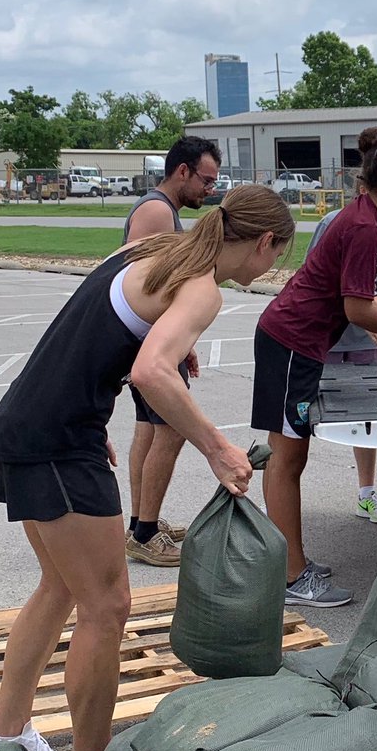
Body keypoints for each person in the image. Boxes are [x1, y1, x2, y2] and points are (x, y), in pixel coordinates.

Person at [0, 185, 293, 751]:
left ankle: (5, 737)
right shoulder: (201, 289)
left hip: (33, 424)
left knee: (59, 587)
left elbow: (94, 329)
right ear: (264, 243)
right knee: (107, 606)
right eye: (277, 256)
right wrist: (219, 448)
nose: (273, 266)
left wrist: (152, 360)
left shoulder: (156, 250)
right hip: (57, 441)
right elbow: (152, 372)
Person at [253, 127, 377, 608]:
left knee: (290, 457)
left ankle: (291, 561)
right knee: (286, 459)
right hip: (291, 343)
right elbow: (356, 309)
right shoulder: (365, 225)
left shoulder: (364, 218)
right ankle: (292, 577)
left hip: (296, 344)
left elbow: (356, 303)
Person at [121, 135, 223, 568]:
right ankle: (144, 534)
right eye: (205, 179)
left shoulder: (164, 210)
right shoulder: (158, 211)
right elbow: (146, 284)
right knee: (172, 429)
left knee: (148, 429)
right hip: (149, 345)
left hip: (150, 340)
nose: (210, 190)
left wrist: (186, 342)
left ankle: (143, 522)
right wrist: (171, 344)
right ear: (182, 171)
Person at [306, 176, 377, 524]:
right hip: (330, 338)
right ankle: (287, 494)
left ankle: (367, 493)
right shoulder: (332, 224)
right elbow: (319, 279)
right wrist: (366, 317)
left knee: (368, 419)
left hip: (366, 344)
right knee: (308, 416)